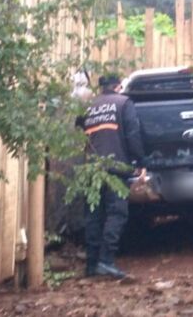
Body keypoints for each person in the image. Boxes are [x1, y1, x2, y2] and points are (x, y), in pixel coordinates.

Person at [80, 75, 145, 278]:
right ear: (118, 86)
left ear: (101, 88)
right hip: (115, 167)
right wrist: (140, 161)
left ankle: (91, 265)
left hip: (91, 169)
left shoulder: (88, 106)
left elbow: (81, 130)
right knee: (116, 214)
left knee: (93, 216)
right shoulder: (123, 103)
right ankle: (106, 261)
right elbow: (132, 134)